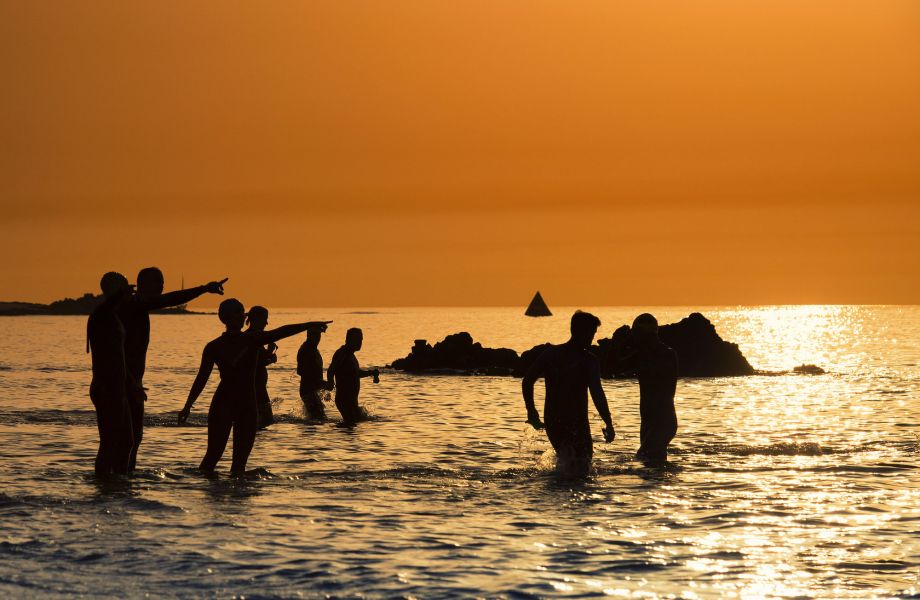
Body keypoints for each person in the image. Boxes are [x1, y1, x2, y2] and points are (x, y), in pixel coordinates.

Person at [177, 299, 330, 474]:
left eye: (243, 312)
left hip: (245, 405)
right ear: (226, 317)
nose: (243, 315)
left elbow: (280, 332)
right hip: (226, 404)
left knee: (236, 465)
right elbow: (201, 378)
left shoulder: (247, 340)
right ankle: (209, 495)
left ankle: (229, 498)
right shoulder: (220, 345)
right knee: (214, 458)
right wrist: (188, 405)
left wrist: (309, 325)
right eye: (238, 312)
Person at [118, 267, 227, 472]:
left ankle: (124, 481)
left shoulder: (137, 306)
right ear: (142, 284)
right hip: (125, 383)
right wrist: (203, 289)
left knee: (134, 439)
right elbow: (169, 300)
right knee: (126, 440)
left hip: (132, 383)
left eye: (163, 282)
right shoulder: (134, 304)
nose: (162, 286)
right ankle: (117, 480)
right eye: (158, 282)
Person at [522, 311, 615, 475]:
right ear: (581, 332)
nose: (592, 338)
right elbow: (597, 394)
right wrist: (608, 423)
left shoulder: (551, 354)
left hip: (553, 420)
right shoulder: (589, 361)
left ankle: (556, 493)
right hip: (576, 421)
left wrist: (532, 411)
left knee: (567, 464)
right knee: (582, 468)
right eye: (591, 333)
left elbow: (527, 381)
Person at [86, 272, 134, 476]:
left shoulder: (115, 315)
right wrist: (120, 292)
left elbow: (120, 355)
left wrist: (132, 383)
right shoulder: (101, 314)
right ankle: (104, 483)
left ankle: (119, 482)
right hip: (106, 387)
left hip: (119, 386)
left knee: (127, 441)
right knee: (109, 442)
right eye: (123, 288)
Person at [619, 313, 678, 462]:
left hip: (663, 420)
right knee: (652, 466)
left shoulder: (667, 354)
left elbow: (665, 391)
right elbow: (609, 370)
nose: (635, 340)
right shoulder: (641, 355)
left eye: (637, 335)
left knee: (643, 458)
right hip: (647, 421)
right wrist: (616, 344)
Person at [327, 328, 379, 425]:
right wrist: (330, 383)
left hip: (352, 400)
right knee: (350, 428)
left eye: (361, 340)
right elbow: (331, 370)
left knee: (355, 425)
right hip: (344, 399)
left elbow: (355, 373)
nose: (360, 343)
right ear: (348, 340)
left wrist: (370, 373)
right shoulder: (342, 353)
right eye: (357, 340)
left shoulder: (351, 355)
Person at [245, 306, 277, 429]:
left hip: (258, 387)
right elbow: (254, 363)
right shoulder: (250, 337)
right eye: (265, 319)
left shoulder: (256, 338)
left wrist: (269, 353)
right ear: (257, 319)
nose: (266, 323)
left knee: (264, 420)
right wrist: (270, 358)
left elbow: (259, 360)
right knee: (266, 420)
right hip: (255, 388)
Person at [297, 327, 329, 420]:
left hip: (314, 389)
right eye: (315, 336)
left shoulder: (314, 349)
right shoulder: (306, 349)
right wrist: (321, 383)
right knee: (319, 418)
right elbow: (301, 371)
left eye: (319, 336)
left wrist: (322, 386)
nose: (318, 338)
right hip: (308, 390)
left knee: (318, 417)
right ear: (309, 336)